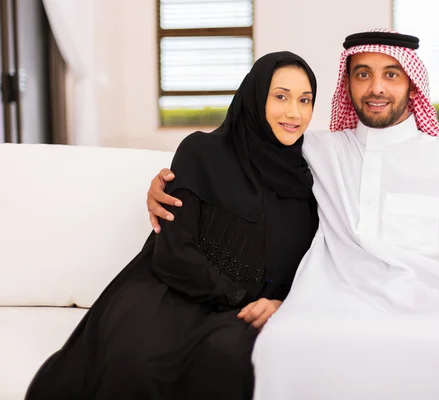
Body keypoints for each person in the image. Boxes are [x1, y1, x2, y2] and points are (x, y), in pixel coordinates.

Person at [146, 30, 439, 399]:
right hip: (329, 305)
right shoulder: (317, 151)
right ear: (348, 86)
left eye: (391, 74)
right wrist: (167, 183)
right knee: (282, 345)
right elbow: (241, 151)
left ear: (412, 85)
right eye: (362, 74)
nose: (376, 87)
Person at [25, 51, 319, 400]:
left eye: (305, 100)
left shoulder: (315, 175)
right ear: (255, 97)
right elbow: (174, 251)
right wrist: (239, 296)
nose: (294, 113)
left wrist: (283, 304)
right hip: (171, 293)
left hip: (244, 315)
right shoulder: (202, 152)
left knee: (231, 359)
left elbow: (322, 264)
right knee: (138, 362)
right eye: (280, 96)